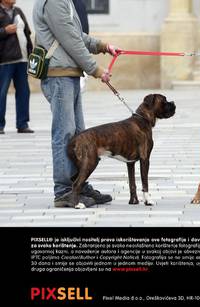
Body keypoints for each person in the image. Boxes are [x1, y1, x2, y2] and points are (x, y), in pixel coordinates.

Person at [33, 0, 117, 207]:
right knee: (65, 134)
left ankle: (78, 185)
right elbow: (70, 39)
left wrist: (102, 46)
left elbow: (76, 34)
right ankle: (63, 191)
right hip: (59, 75)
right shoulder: (53, 1)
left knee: (79, 135)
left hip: (68, 73)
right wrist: (95, 69)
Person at [0, 0, 33, 134]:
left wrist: (31, 52)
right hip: (4, 60)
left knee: (24, 92)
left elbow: (27, 33)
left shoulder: (18, 11)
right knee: (1, 93)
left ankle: (22, 124)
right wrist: (4, 31)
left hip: (22, 59)